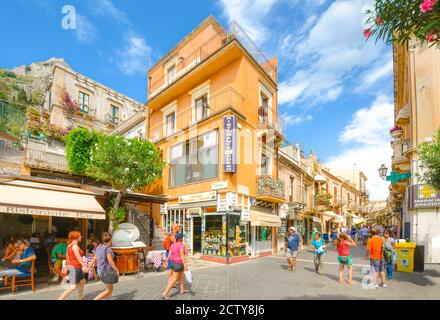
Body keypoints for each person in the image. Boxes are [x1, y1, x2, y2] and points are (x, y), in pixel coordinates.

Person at [58, 231, 89, 300]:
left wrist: (67, 266)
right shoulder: (75, 246)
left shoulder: (69, 245)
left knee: (82, 282)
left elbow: (67, 257)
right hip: (75, 268)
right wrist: (85, 266)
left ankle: (80, 298)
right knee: (73, 287)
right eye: (80, 236)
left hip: (74, 267)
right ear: (76, 237)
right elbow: (79, 258)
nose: (81, 237)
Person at [89, 232, 119, 300]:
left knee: (109, 289)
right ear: (110, 240)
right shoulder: (108, 249)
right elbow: (111, 261)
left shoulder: (99, 247)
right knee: (108, 290)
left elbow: (94, 258)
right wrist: (116, 269)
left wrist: (89, 267)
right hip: (107, 271)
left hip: (101, 270)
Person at [162, 233, 189, 299]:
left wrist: (166, 261)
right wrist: (185, 265)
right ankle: (165, 293)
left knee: (182, 276)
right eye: (182, 237)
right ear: (180, 238)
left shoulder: (173, 245)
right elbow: (182, 256)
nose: (183, 238)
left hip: (172, 263)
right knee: (174, 279)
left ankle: (182, 289)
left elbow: (169, 254)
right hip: (178, 263)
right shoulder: (181, 245)